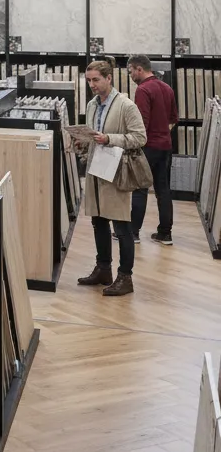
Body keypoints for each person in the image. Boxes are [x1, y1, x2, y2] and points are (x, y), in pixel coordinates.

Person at [78, 59, 147, 297]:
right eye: (89, 80)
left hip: (117, 172)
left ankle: (125, 277)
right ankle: (103, 269)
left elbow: (140, 138)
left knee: (121, 225)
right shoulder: (91, 105)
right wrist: (81, 142)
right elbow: (92, 135)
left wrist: (110, 139)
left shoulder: (126, 105)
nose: (92, 85)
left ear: (109, 78)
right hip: (95, 170)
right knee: (98, 221)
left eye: (96, 80)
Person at [128, 54, 177, 246]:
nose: (131, 75)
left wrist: (137, 144)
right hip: (165, 146)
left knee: (139, 188)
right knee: (163, 190)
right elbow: (173, 119)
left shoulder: (143, 89)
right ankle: (165, 234)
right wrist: (162, 134)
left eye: (131, 71)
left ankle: (133, 233)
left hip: (148, 147)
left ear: (139, 69)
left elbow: (142, 123)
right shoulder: (167, 88)